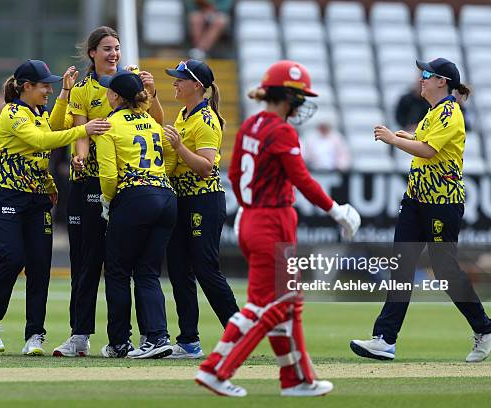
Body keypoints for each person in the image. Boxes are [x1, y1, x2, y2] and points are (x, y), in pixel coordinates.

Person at [195, 60, 361, 397]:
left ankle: (297, 378)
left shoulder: (251, 125)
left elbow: (237, 177)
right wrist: (336, 210)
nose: (302, 104)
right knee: (269, 304)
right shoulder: (281, 131)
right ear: (288, 96)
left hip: (255, 217)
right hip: (272, 222)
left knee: (290, 304)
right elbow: (301, 178)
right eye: (299, 97)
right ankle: (216, 369)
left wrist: (247, 207)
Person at [350, 58, 491, 363]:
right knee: (401, 266)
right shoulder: (433, 112)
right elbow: (424, 142)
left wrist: (394, 140)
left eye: (427, 75)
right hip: (416, 200)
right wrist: (406, 137)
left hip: (442, 204)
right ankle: (385, 339)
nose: (422, 79)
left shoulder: (450, 112)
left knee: (444, 269)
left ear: (441, 81)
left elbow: (429, 151)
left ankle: (485, 329)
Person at [0, 59, 111, 355]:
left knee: (39, 264)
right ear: (26, 87)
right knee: (12, 257)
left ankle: (35, 334)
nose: (48, 91)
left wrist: (65, 93)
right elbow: (42, 139)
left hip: (37, 198)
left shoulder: (37, 112)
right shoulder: (12, 113)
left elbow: (54, 125)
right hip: (6, 194)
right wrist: (84, 130)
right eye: (44, 86)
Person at [52, 26, 163, 357]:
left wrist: (153, 93)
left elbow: (156, 122)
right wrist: (81, 156)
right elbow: (80, 130)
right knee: (85, 261)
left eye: (116, 48)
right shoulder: (84, 89)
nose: (114, 54)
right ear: (92, 53)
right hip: (90, 182)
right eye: (107, 49)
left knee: (126, 265)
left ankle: (141, 338)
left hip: (126, 186)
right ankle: (80, 334)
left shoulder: (131, 79)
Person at [96, 71, 176, 359]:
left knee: (117, 272)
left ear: (115, 97)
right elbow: (171, 154)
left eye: (109, 91)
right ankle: (157, 337)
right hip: (166, 197)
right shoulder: (152, 122)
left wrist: (106, 202)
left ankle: (119, 343)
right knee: (148, 272)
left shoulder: (108, 125)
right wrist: (155, 180)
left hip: (134, 198)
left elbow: (107, 175)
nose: (106, 94)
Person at [163, 59, 239, 359]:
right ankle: (189, 341)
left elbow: (206, 168)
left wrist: (180, 147)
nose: (175, 84)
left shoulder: (205, 119)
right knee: (179, 270)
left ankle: (238, 331)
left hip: (203, 201)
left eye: (181, 79)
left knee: (205, 268)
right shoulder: (184, 114)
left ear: (197, 85)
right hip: (182, 200)